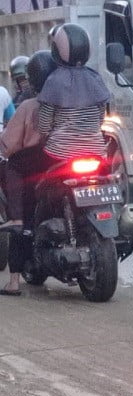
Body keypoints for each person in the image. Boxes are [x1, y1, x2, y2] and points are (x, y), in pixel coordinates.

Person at [0, 24, 110, 236]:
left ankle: (18, 218)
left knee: (14, 164)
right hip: (97, 152)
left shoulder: (54, 81)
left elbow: (44, 126)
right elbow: (100, 118)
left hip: (59, 154)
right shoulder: (95, 78)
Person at [0, 51, 57, 296]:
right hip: (64, 161)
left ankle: (14, 282)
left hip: (35, 167)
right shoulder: (73, 99)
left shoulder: (28, 105)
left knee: (21, 216)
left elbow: (8, 144)